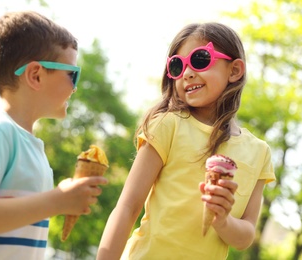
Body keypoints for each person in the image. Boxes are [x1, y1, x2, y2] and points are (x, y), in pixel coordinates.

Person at [97, 22, 275, 260]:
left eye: (200, 59)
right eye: (177, 66)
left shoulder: (259, 152)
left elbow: (245, 236)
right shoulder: (167, 124)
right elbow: (127, 208)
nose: (187, 73)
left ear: (234, 70)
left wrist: (223, 220)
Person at [0, 11, 108, 259]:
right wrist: (57, 201)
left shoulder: (29, 146)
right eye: (72, 74)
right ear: (36, 75)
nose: (75, 87)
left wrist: (62, 197)